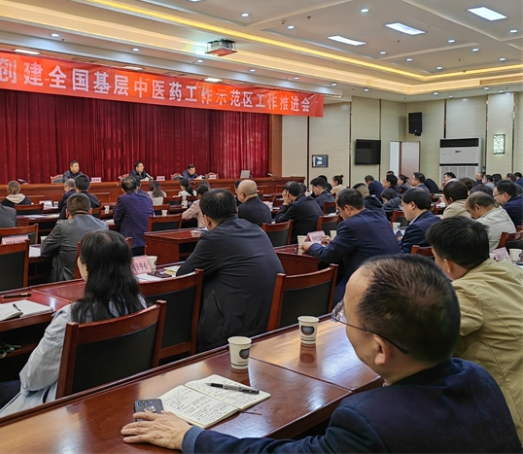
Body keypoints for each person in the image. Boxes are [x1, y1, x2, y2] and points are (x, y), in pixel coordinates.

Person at [121, 255, 521, 453]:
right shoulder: (478, 377)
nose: (341, 321)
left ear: (380, 349)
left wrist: (188, 436)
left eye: (345, 316)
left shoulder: (369, 422)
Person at [0, 231, 147, 419]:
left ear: (86, 268)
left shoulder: (72, 316)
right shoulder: (140, 303)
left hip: (69, 408)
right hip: (119, 393)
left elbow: (33, 380)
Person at [427, 217, 523, 441]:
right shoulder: (509, 270)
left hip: (511, 409)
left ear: (448, 264)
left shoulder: (466, 293)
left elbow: (423, 341)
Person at [177, 190, 282, 351]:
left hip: (236, 331)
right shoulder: (256, 229)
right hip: (272, 320)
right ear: (237, 210)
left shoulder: (213, 238)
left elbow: (183, 276)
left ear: (207, 220)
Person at [302, 189, 399, 303]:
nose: (339, 215)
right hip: (392, 280)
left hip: (368, 285)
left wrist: (312, 246)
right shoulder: (379, 216)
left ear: (348, 209)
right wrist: (336, 241)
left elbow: (328, 255)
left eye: (339, 211)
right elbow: (365, 241)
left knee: (321, 299)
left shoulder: (349, 225)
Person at [41, 193, 108, 282]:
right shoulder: (103, 226)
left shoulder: (62, 226)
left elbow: (44, 251)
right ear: (90, 211)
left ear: (67, 213)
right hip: (98, 280)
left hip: (68, 282)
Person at [113, 177, 154, 256]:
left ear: (122, 190)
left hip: (132, 241)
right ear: (137, 188)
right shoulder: (147, 198)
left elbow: (117, 221)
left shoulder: (122, 198)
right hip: (148, 239)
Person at [399, 188, 440, 253]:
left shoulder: (415, 228)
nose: (402, 210)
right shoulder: (437, 220)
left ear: (412, 205)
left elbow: (403, 256)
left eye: (402, 205)